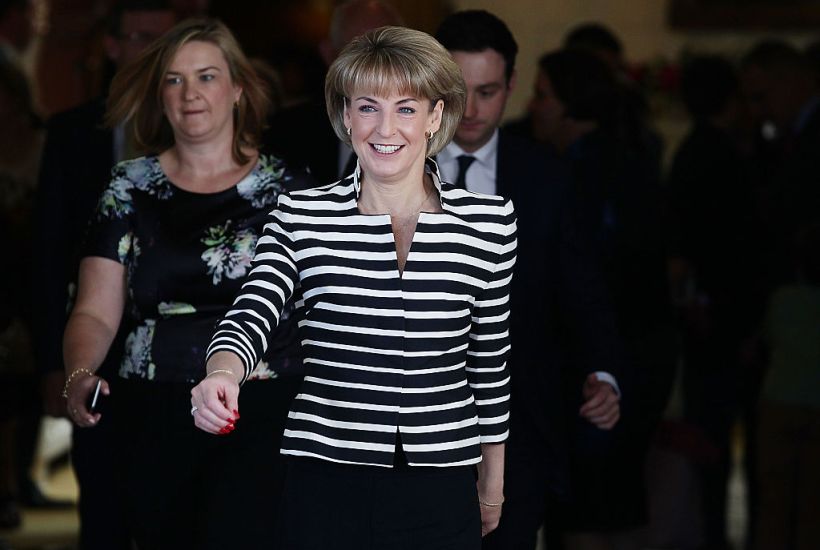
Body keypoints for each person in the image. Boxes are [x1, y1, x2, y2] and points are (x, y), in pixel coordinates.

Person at [191, 26, 515, 549]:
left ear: (435, 116)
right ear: (346, 115)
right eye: (368, 107)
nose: (386, 127)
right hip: (324, 480)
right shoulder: (302, 214)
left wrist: (492, 486)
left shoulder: (488, 222)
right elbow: (251, 313)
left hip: (441, 484)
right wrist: (221, 374)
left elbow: (489, 364)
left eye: (406, 108)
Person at [61, 18, 305, 550]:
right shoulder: (129, 186)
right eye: (174, 79)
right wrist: (78, 373)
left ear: (238, 88)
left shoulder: (290, 191)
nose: (189, 93)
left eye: (206, 76)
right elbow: (95, 310)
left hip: (263, 407)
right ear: (160, 94)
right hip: (153, 410)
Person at [434, 11, 623, 550]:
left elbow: (583, 292)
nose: (471, 110)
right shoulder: (386, 164)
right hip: (405, 431)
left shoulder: (547, 177)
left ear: (512, 86)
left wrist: (603, 374)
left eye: (487, 92)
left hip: (517, 431)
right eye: (458, 91)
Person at [32, 3, 177, 547]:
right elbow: (49, 255)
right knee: (103, 504)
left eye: (164, 40)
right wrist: (55, 364)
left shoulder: (198, 127)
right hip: (95, 352)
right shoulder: (73, 132)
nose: (153, 52)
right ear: (113, 46)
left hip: (179, 358)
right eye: (140, 37)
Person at [263, 0, 403, 184]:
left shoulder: (425, 133)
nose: (372, 67)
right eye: (357, 53)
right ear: (329, 54)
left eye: (387, 53)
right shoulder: (287, 132)